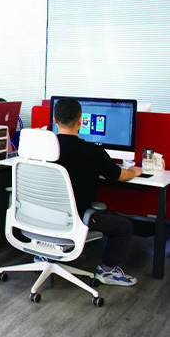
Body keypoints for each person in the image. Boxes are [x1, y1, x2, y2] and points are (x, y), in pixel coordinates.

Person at [54, 97, 142, 286]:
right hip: (79, 218)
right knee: (125, 226)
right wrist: (134, 171)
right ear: (80, 121)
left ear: (55, 120)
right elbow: (120, 176)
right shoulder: (92, 151)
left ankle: (45, 251)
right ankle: (107, 271)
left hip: (44, 217)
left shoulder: (42, 149)